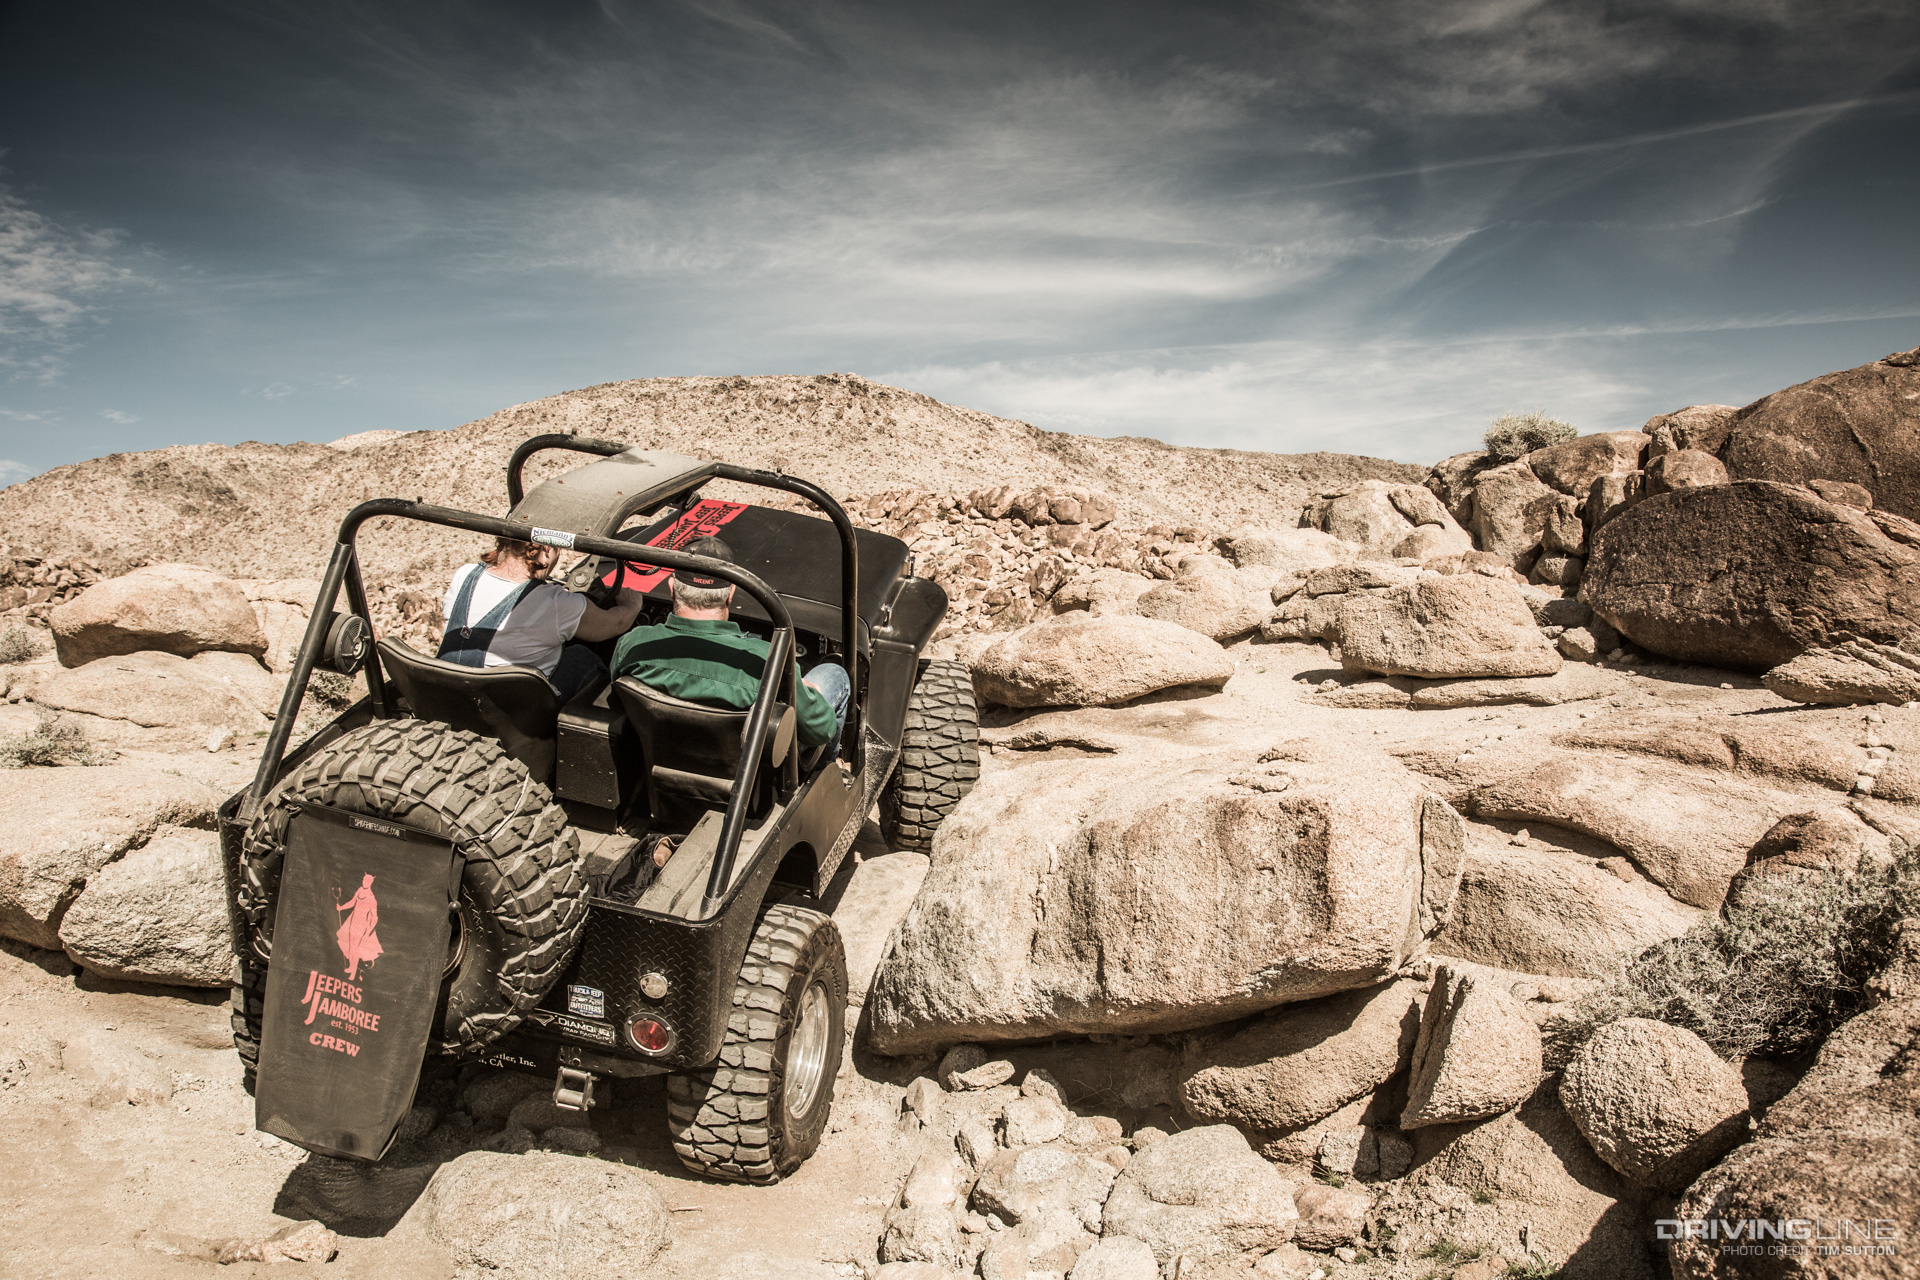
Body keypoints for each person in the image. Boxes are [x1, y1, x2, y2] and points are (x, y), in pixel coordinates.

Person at [610, 536, 850, 868]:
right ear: (731, 593)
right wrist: (799, 684)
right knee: (834, 676)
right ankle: (830, 774)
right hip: (751, 797)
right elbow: (821, 730)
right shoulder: (765, 660)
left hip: (663, 783)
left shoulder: (634, 645)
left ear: (671, 587)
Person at [440, 536, 644, 702]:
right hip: (513, 709)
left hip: (450, 692)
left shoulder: (464, 575)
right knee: (582, 657)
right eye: (558, 551)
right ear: (546, 550)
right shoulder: (555, 602)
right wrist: (632, 605)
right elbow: (615, 624)